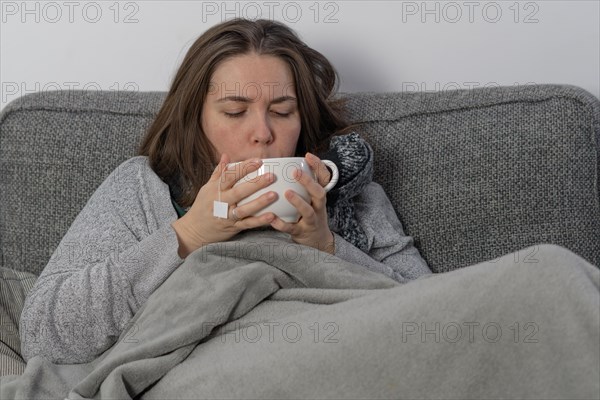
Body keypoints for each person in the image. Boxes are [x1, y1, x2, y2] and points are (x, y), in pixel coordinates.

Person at [19, 18, 432, 364]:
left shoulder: (355, 196)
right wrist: (188, 236)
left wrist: (326, 249)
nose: (263, 133)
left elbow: (434, 321)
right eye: (235, 112)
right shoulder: (141, 189)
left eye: (282, 112)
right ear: (194, 118)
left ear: (302, 120)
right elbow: (44, 334)